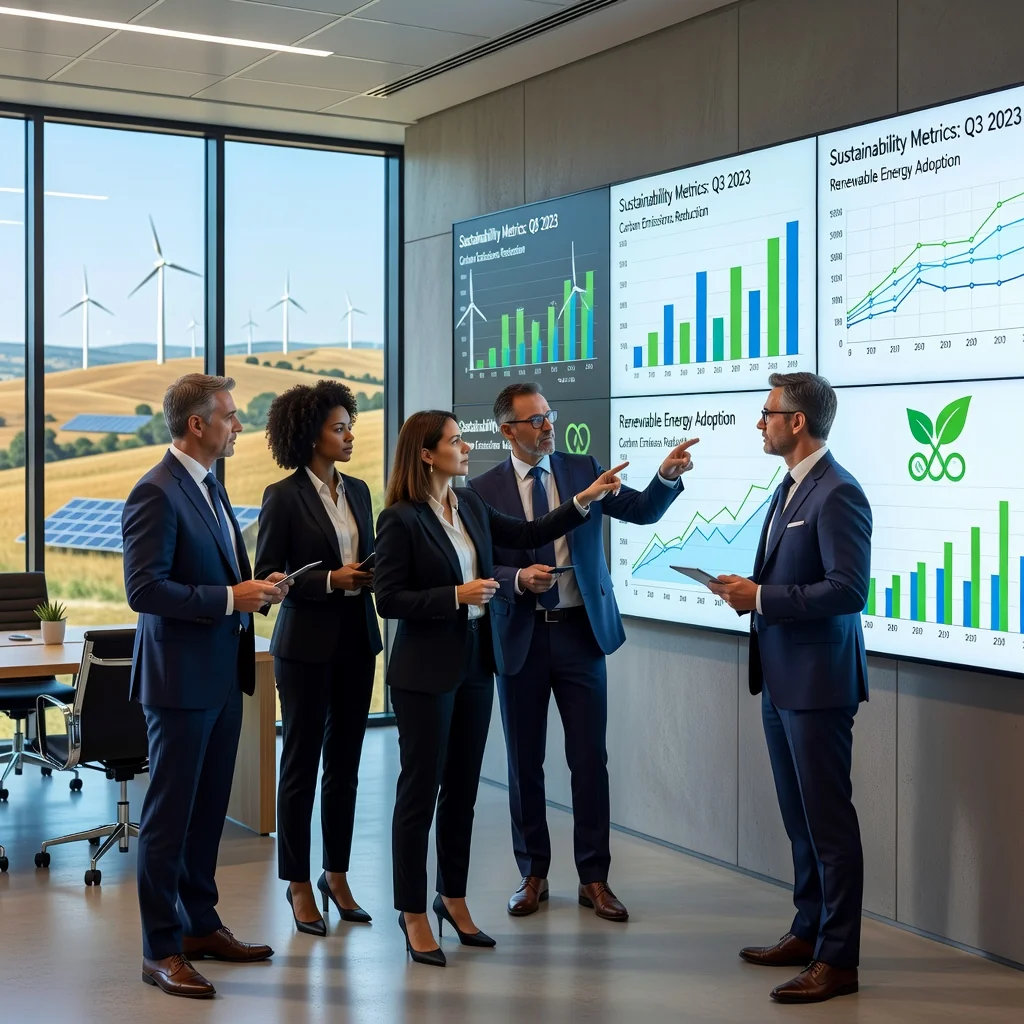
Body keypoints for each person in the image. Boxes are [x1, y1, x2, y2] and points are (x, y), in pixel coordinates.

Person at [374, 410, 627, 967]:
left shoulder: (468, 505)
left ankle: (453, 899)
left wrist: (583, 500)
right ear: (426, 453)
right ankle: (412, 913)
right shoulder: (399, 519)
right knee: (420, 793)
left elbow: (533, 532)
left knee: (461, 791)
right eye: (456, 440)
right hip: (423, 672)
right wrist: (455, 596)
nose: (467, 447)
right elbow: (388, 600)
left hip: (473, 664)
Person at [469, 382, 696, 921]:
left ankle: (595, 878)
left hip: (580, 634)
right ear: (507, 430)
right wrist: (516, 576)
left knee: (589, 760)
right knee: (525, 762)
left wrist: (664, 478)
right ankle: (533, 875)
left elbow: (641, 511)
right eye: (536, 421)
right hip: (521, 632)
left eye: (550, 416)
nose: (548, 427)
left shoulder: (581, 469)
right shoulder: (481, 490)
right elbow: (477, 564)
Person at [122, 374, 289, 999]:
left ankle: (198, 925)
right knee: (168, 819)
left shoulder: (211, 486)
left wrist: (258, 590)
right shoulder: (156, 493)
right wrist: (228, 597)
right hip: (179, 682)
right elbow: (144, 591)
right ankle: (160, 949)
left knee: (205, 815)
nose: (238, 424)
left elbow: (220, 577)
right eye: (229, 415)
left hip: (221, 680)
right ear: (198, 425)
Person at [709, 372, 871, 1006]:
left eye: (768, 412)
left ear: (797, 422)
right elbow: (788, 579)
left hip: (818, 684)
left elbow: (849, 590)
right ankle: (808, 930)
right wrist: (746, 593)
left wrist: (764, 597)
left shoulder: (838, 493)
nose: (761, 422)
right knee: (800, 820)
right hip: (779, 679)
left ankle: (839, 959)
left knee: (830, 824)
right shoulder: (789, 488)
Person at [255, 381, 382, 936]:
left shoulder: (358, 491)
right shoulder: (282, 497)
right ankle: (297, 882)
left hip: (358, 641)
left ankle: (336, 873)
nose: (349, 435)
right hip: (304, 648)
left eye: (349, 425)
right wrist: (331, 580)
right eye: (339, 428)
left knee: (347, 767)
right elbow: (269, 577)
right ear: (311, 435)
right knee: (301, 765)